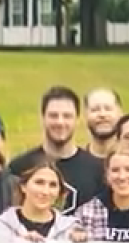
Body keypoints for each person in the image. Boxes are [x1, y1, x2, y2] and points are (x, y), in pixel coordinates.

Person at [8, 86, 105, 215]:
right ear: (43, 118)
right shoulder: (20, 167)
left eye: (67, 116)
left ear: (77, 120)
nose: (60, 122)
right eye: (53, 116)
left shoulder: (98, 170)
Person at [84, 88, 124, 158]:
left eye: (108, 109)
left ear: (120, 114)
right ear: (86, 115)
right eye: (95, 110)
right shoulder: (73, 164)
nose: (102, 114)